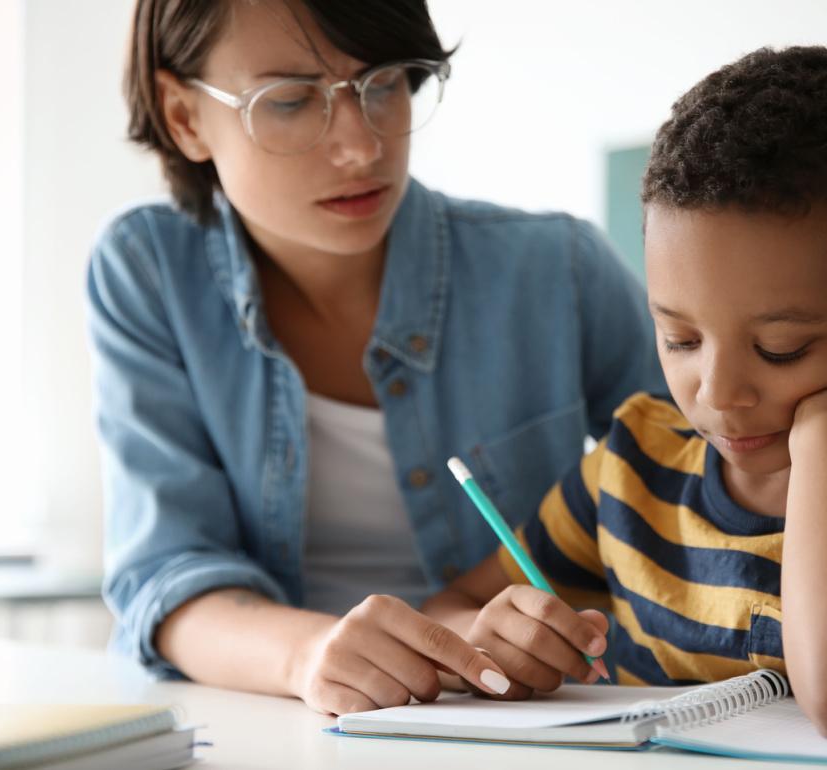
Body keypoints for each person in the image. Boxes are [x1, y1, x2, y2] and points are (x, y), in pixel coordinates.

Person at [424, 46, 827, 741]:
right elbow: (456, 604)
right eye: (680, 339)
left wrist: (826, 435)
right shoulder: (633, 464)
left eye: (781, 349)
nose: (717, 394)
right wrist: (494, 635)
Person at [87, 0, 663, 716]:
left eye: (384, 83)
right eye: (291, 100)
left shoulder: (559, 271)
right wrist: (310, 655)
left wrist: (540, 626)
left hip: (532, 726)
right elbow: (165, 578)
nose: (362, 146)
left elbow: (712, 492)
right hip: (270, 728)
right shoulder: (149, 271)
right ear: (183, 118)